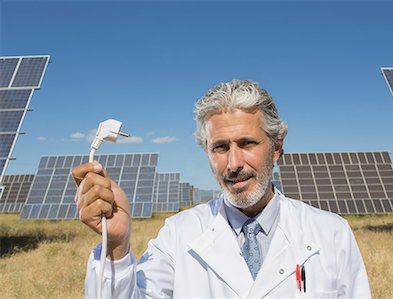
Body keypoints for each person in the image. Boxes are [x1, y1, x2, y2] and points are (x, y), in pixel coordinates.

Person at [72, 79, 371, 298]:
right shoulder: (179, 234)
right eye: (219, 147)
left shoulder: (331, 234)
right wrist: (116, 247)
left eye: (247, 143)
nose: (233, 163)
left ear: (277, 149)